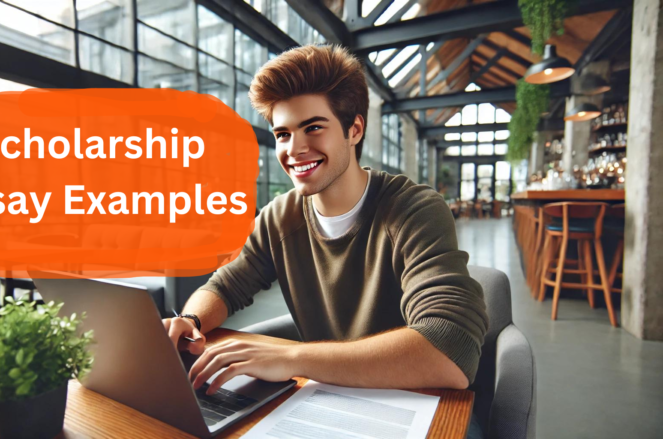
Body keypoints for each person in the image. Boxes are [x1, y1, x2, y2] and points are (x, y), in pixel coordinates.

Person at [163, 44, 488, 407]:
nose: (295, 148)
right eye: (282, 134)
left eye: (313, 127)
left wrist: (291, 358)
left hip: (414, 404)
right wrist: (189, 319)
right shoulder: (279, 217)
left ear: (354, 129)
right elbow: (225, 285)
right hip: (328, 399)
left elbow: (451, 347)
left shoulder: (413, 209)